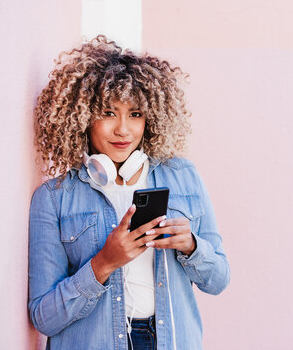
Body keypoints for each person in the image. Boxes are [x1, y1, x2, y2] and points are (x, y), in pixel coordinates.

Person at [28, 35, 230, 350]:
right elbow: (44, 318)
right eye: (108, 113)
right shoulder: (53, 198)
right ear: (82, 117)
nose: (123, 129)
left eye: (135, 114)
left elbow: (218, 280)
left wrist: (191, 246)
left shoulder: (184, 177)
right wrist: (104, 263)